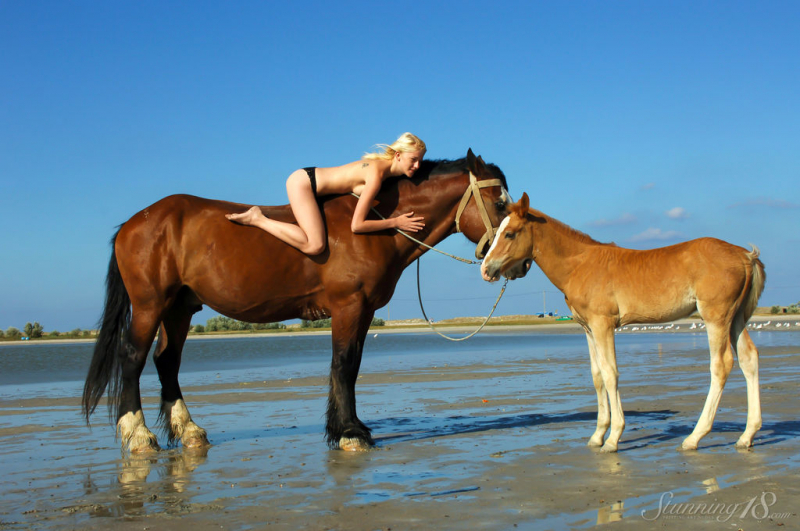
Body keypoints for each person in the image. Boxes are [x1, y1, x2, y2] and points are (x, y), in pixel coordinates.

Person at [226, 133, 427, 255]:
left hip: (310, 179)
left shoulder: (382, 172)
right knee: (314, 245)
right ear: (398, 155)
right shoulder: (376, 176)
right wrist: (396, 222)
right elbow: (357, 225)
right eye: (413, 159)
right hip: (304, 184)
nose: (417, 166)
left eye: (420, 160)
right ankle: (257, 218)